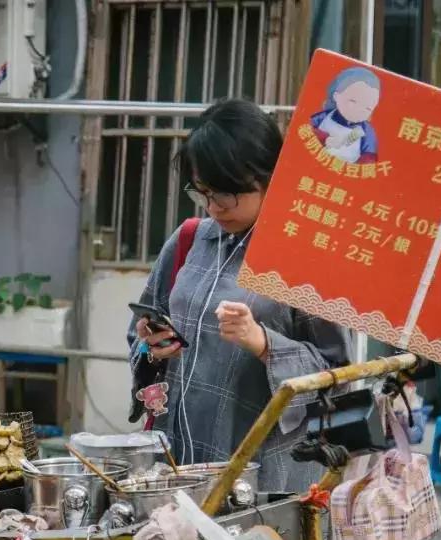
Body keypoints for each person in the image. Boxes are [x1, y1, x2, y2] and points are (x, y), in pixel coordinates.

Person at [129, 98, 352, 493]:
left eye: (228, 194)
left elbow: (338, 377)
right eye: (204, 192)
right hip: (179, 462)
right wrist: (153, 346)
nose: (214, 207)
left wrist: (266, 344)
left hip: (266, 477)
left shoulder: (303, 257)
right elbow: (141, 331)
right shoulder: (188, 240)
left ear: (269, 178)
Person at [309, 66, 382, 165]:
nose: (358, 110)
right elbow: (304, 130)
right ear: (336, 96)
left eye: (367, 108)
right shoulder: (323, 117)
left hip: (346, 174)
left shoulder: (366, 130)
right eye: (353, 101)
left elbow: (369, 156)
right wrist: (324, 139)